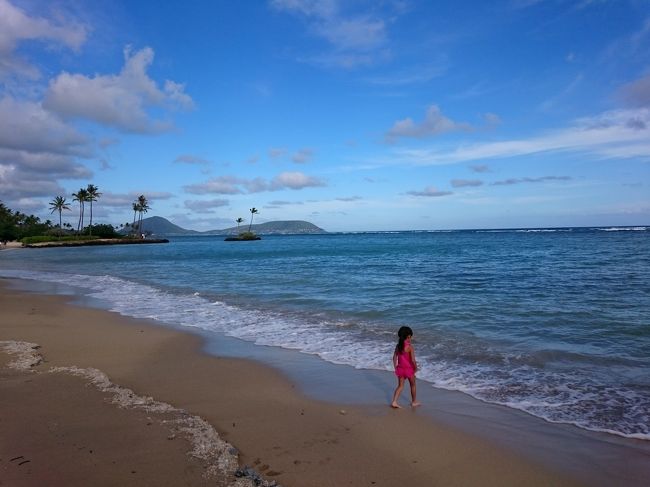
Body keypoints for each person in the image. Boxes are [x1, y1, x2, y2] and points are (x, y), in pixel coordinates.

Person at [391, 326, 421, 408]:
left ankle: (394, 401)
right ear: (408, 336)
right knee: (413, 385)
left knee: (400, 386)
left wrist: (395, 367)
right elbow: (413, 360)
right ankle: (414, 401)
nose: (410, 338)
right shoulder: (410, 347)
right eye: (410, 336)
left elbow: (394, 357)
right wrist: (416, 368)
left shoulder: (398, 346)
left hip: (400, 369)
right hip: (409, 370)